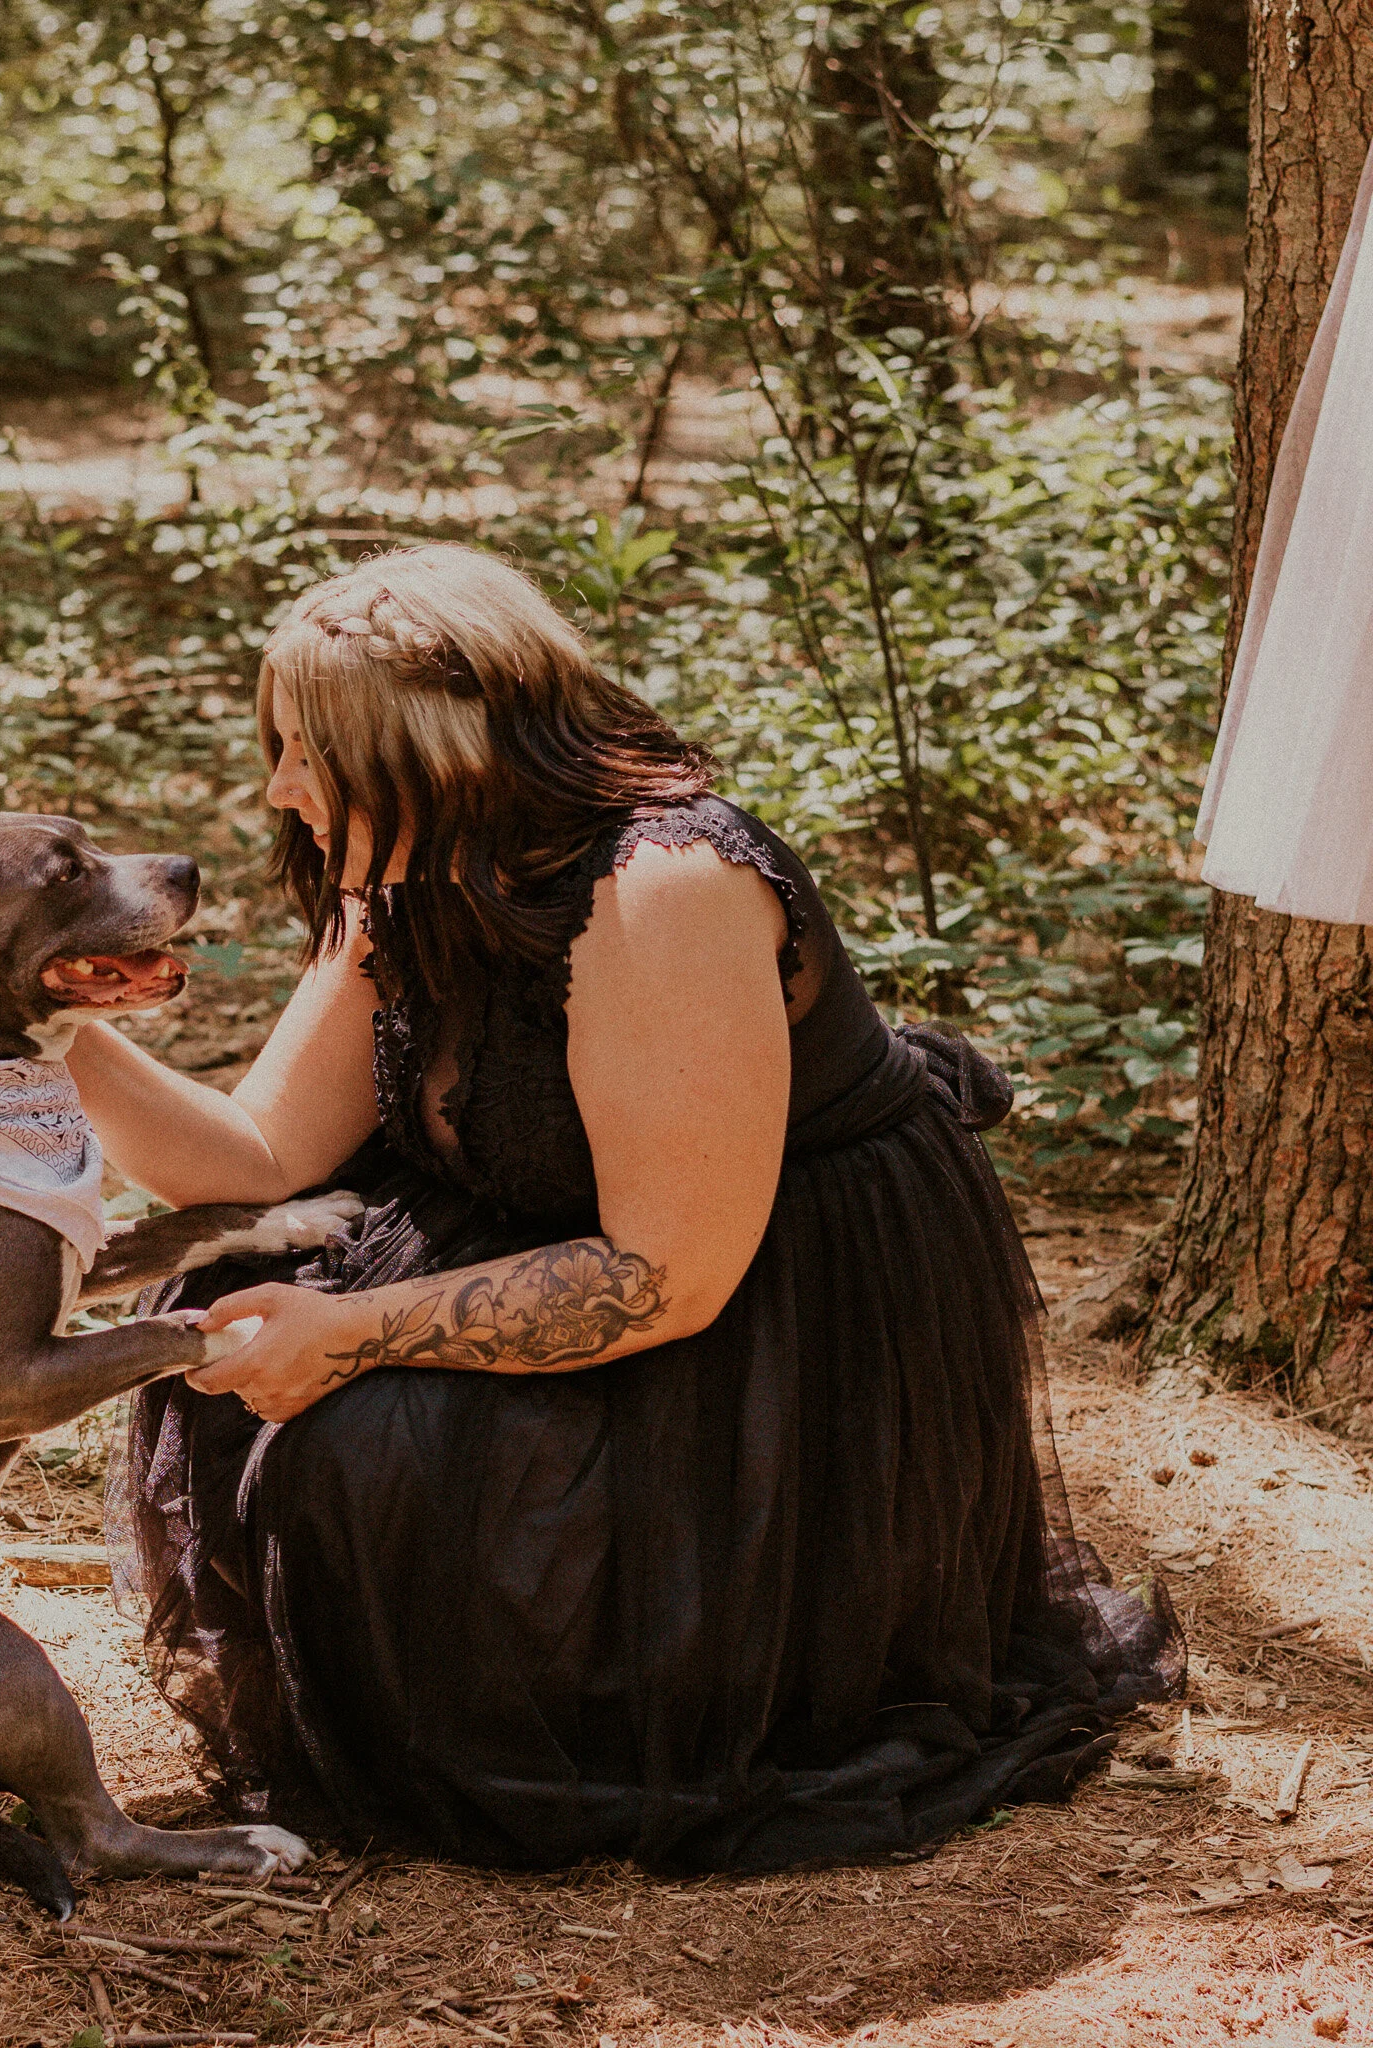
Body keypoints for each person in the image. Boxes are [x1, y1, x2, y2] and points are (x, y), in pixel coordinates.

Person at [69, 545, 1180, 1872]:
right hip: (552, 1214)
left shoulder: (661, 889)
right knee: (213, 1301)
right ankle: (456, 1702)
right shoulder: (412, 869)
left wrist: (354, 1332)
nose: (280, 790)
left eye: (311, 752)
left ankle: (579, 1720)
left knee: (378, 1441)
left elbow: (667, 1272)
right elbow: (250, 1153)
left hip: (766, 1289)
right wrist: (48, 1021)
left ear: (441, 748)